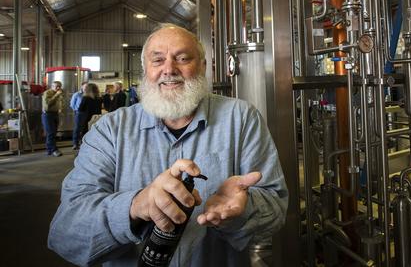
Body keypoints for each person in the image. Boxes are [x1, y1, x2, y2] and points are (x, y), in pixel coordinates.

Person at [48, 24, 288, 266]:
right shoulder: (110, 130)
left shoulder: (241, 117)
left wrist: (241, 212)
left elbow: (276, 207)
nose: (169, 69)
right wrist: (135, 206)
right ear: (145, 70)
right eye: (158, 60)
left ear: (203, 67)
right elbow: (66, 232)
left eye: (183, 58)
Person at [41, 81, 64, 157]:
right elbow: (47, 105)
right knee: (50, 132)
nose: (58, 88)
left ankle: (49, 149)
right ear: (52, 86)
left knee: (53, 133)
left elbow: (60, 103)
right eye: (56, 86)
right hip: (48, 115)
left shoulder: (59, 94)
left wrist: (60, 109)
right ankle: (54, 149)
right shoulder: (47, 93)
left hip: (55, 114)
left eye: (59, 86)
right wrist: (57, 95)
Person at [69, 81, 88, 150]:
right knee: (77, 128)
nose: (86, 88)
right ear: (82, 86)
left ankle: (83, 143)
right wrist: (77, 110)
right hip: (79, 113)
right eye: (85, 86)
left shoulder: (89, 94)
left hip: (87, 113)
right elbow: (72, 104)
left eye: (87, 87)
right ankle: (75, 143)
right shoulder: (77, 94)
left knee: (85, 129)